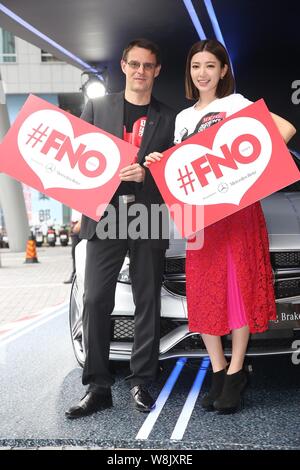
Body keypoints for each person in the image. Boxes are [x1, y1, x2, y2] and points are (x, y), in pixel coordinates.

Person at [145, 39, 296, 414]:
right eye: (196, 66)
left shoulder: (236, 105)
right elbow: (183, 168)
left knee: (238, 288)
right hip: (201, 218)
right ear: (189, 72)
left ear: (223, 70)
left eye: (210, 66)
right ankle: (218, 370)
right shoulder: (182, 118)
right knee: (205, 294)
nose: (202, 73)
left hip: (238, 211)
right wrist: (160, 161)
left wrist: (250, 172)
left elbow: (285, 129)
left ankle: (236, 371)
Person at [65, 38, 175, 419]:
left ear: (157, 71)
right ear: (124, 66)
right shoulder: (97, 106)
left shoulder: (169, 117)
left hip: (148, 212)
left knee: (148, 301)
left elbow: (174, 177)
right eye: (135, 64)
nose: (141, 72)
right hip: (105, 213)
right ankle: (97, 386)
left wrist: (148, 173)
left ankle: (142, 381)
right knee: (96, 299)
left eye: (149, 65)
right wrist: (78, 209)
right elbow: (78, 162)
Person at [63, 209, 81, 284]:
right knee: (75, 253)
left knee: (82, 253)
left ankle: (80, 276)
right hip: (75, 225)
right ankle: (75, 275)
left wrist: (80, 223)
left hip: (82, 225)